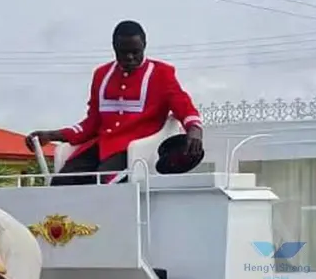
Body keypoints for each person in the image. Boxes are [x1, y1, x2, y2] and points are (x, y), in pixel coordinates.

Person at [26, 20, 204, 183]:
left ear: (145, 45)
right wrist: (51, 135)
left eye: (135, 52)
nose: (129, 58)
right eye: (123, 53)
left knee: (103, 181)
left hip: (137, 148)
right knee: (63, 181)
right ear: (114, 47)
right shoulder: (102, 75)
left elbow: (183, 105)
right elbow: (91, 123)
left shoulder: (161, 73)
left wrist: (194, 130)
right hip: (101, 144)